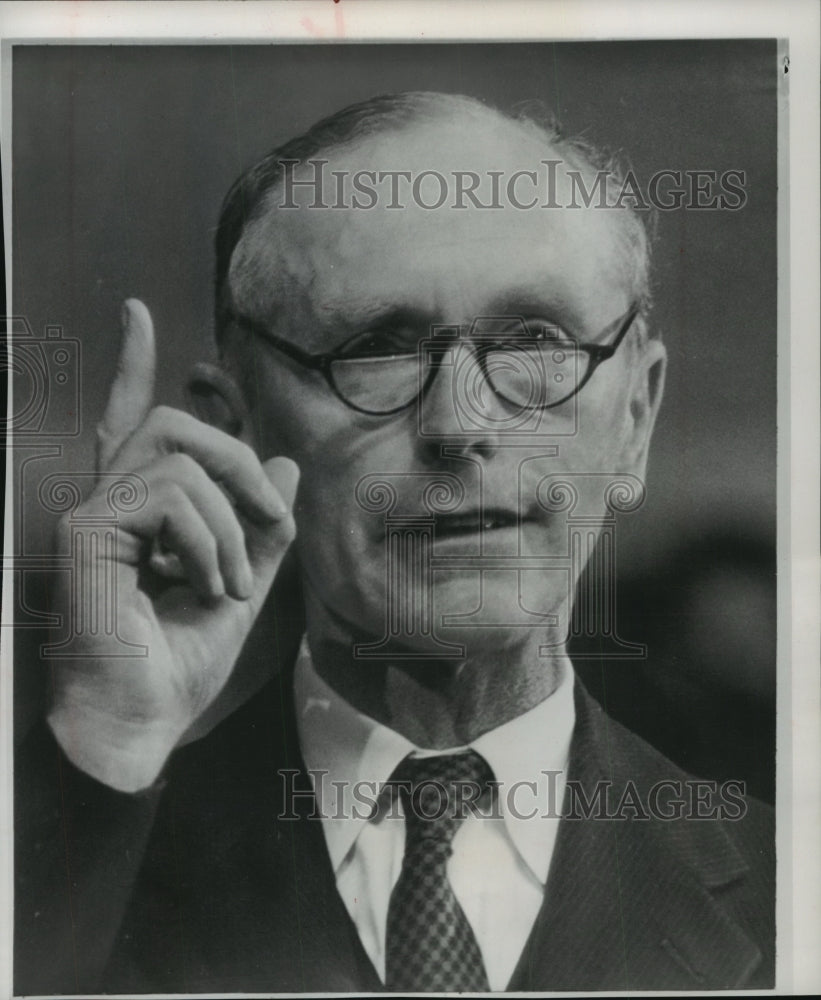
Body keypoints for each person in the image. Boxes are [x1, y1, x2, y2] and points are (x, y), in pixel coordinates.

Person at [15, 92, 774, 994]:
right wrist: (107, 740)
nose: (459, 425)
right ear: (241, 428)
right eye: (376, 347)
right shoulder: (64, 868)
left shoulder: (790, 888)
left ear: (636, 422)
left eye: (533, 339)